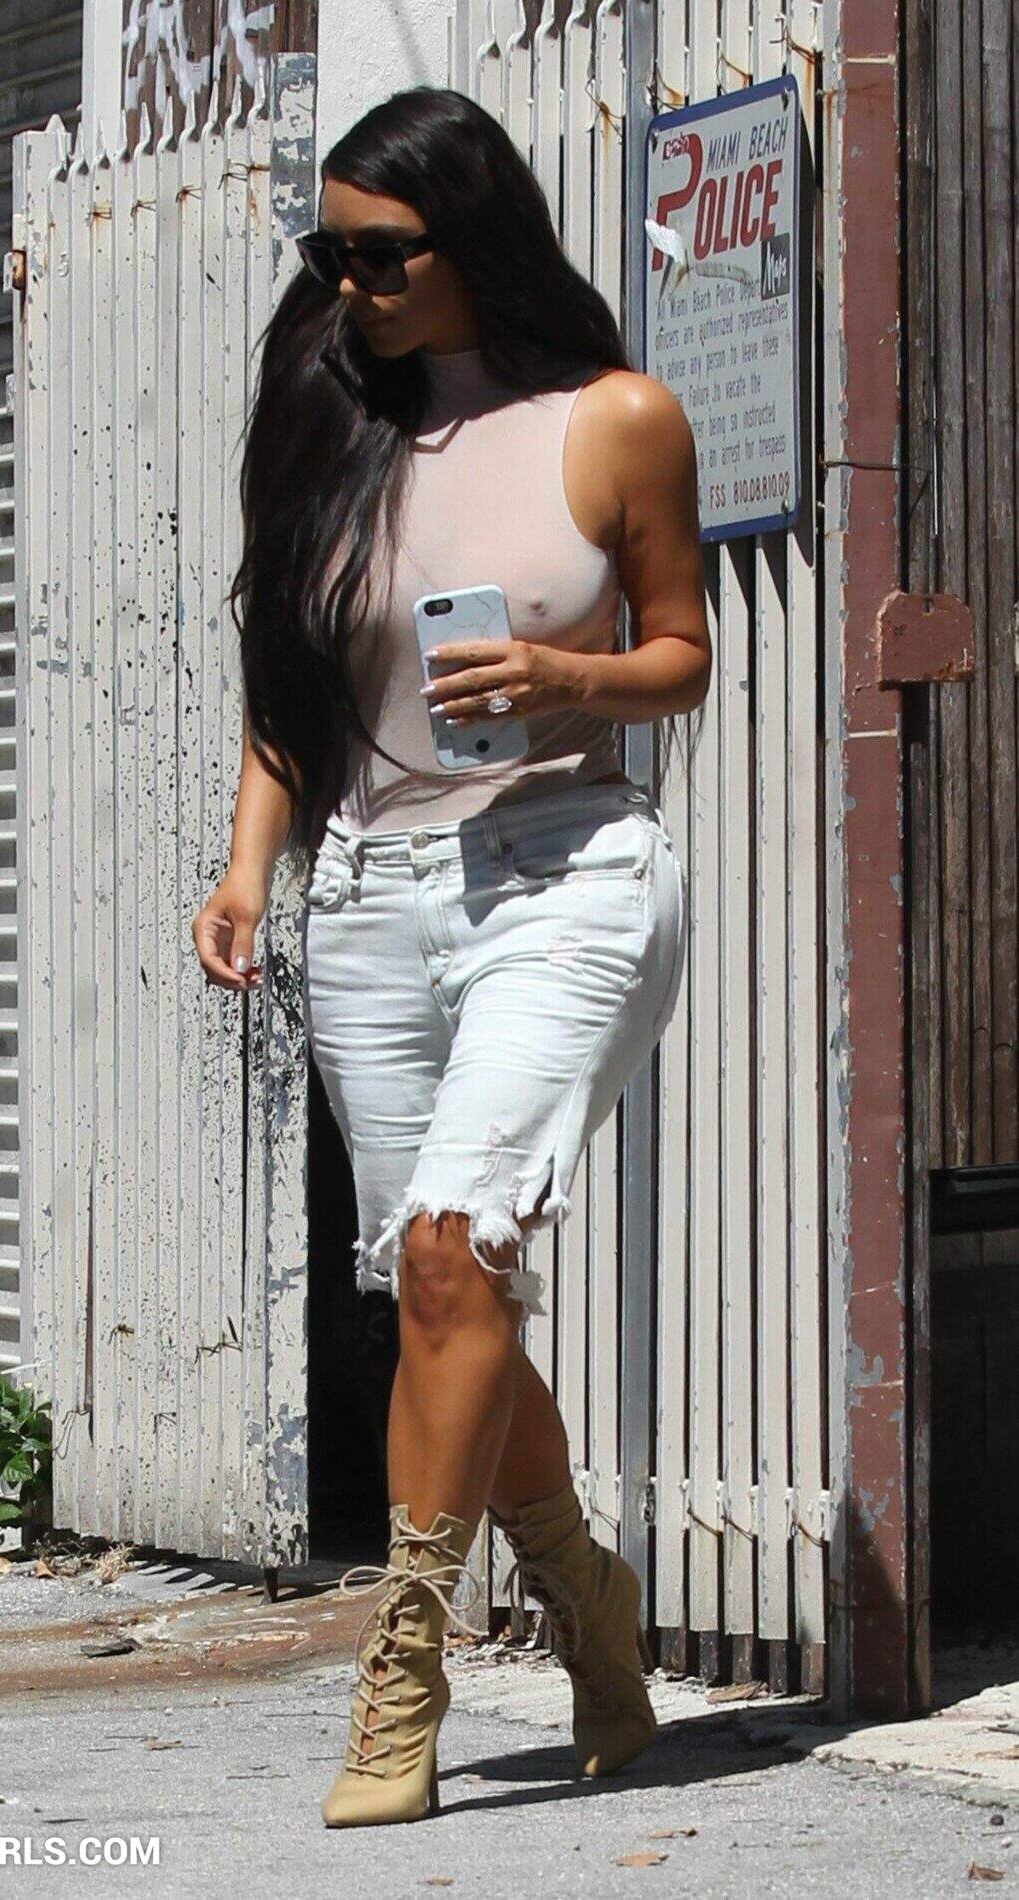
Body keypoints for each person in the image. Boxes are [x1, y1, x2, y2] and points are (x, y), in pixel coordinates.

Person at [192, 85, 710, 1828]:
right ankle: (594, 1612)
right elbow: (291, 691)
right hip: (364, 895)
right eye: (330, 254)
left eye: (383, 253)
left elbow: (683, 651)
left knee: (451, 1252)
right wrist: (250, 865)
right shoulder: (332, 423)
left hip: (561, 872)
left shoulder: (613, 419)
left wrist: (569, 678)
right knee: (440, 1295)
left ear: (471, 237)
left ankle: (401, 1663)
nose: (349, 285)